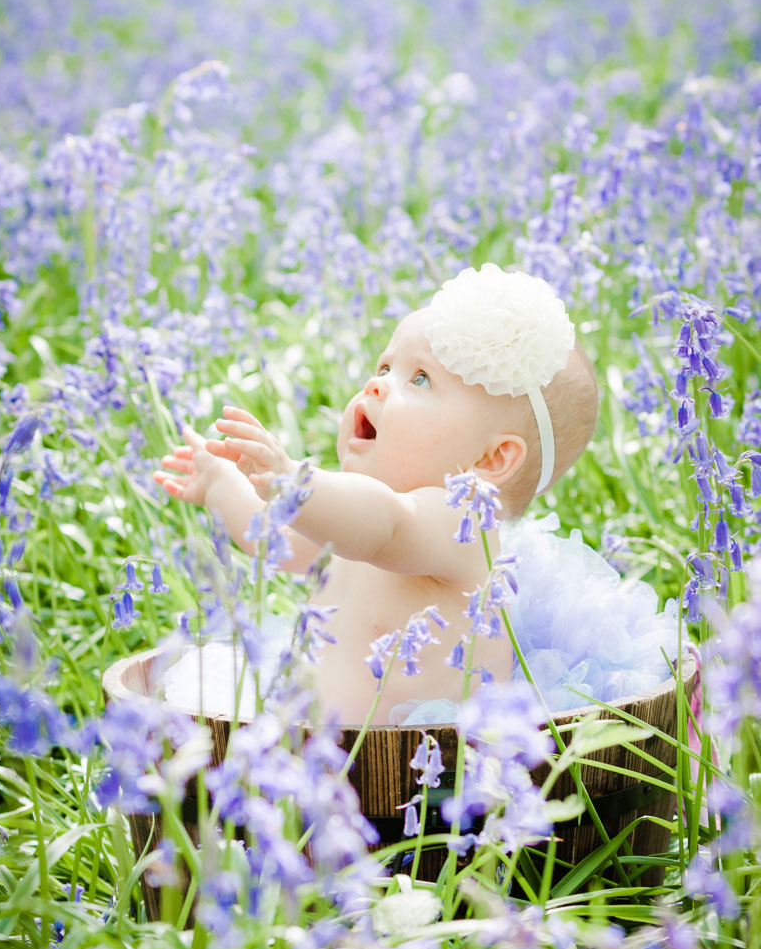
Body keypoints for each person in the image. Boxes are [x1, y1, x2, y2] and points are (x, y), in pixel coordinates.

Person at [153, 264, 599, 724]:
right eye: (385, 366)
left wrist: (295, 481)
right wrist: (223, 485)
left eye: (420, 379)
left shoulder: (461, 521)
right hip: (321, 745)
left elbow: (390, 525)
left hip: (411, 775)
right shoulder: (349, 516)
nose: (377, 384)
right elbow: (277, 542)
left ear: (490, 461)